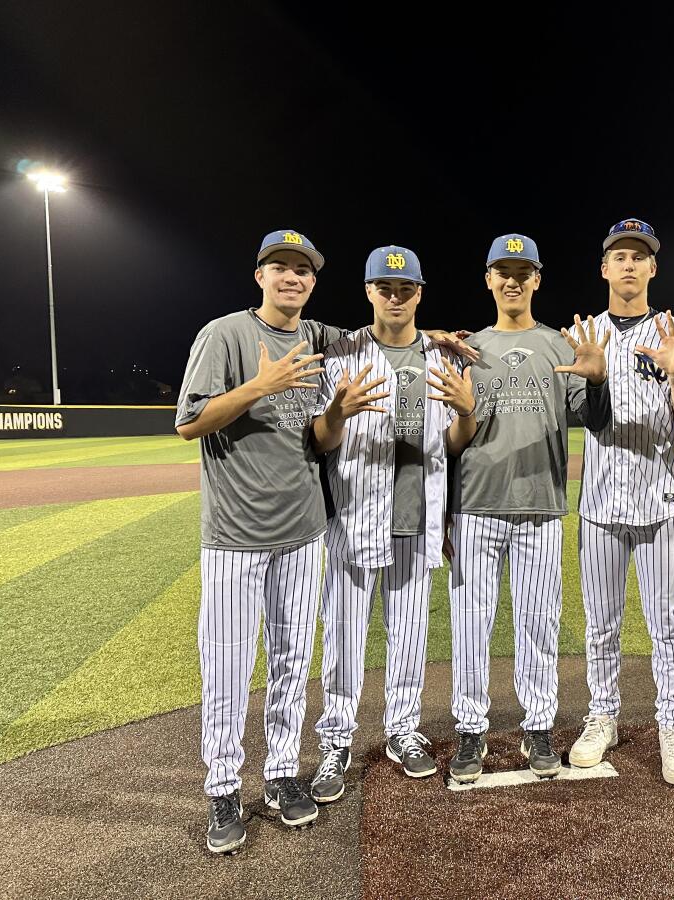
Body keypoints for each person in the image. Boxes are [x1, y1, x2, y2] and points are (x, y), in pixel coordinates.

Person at [177, 230, 335, 854]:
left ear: (314, 281)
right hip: (235, 538)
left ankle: (279, 774)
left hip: (303, 530)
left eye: (303, 269)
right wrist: (256, 388)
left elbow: (318, 437)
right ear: (260, 276)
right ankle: (222, 787)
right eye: (281, 267)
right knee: (227, 668)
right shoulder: (225, 335)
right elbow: (189, 422)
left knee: (294, 662)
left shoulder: (318, 338)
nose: (292, 277)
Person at [308, 247, 479, 802]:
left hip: (417, 517)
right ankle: (335, 739)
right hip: (356, 516)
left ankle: (403, 729)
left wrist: (468, 413)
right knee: (344, 638)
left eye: (405, 288)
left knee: (409, 636)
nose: (396, 296)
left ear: (420, 293)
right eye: (386, 286)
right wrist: (337, 412)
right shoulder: (340, 354)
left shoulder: (441, 357)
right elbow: (322, 439)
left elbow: (453, 444)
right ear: (368, 291)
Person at [447, 234, 610, 783]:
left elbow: (594, 417)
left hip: (540, 504)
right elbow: (448, 437)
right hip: (476, 503)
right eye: (503, 271)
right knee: (472, 625)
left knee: (538, 623)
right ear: (488, 279)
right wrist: (446, 509)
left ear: (538, 279)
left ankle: (537, 725)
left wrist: (599, 378)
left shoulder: (560, 346)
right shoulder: (466, 348)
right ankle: (471, 730)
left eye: (524, 271)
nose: (513, 280)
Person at [566, 218, 674, 785]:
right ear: (603, 268)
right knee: (601, 623)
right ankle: (604, 716)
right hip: (599, 503)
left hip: (659, 500)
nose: (627, 264)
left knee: (666, 622)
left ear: (652, 268)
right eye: (617, 255)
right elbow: (579, 414)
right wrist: (594, 381)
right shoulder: (585, 333)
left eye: (638, 256)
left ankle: (673, 724)